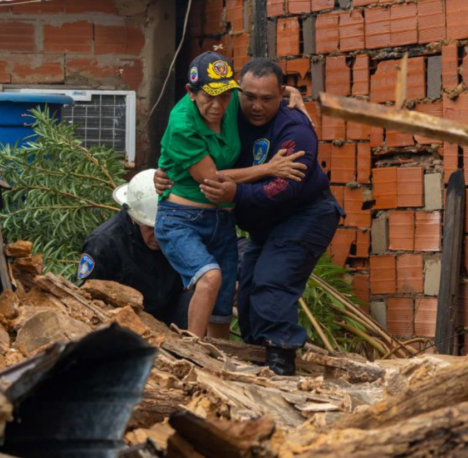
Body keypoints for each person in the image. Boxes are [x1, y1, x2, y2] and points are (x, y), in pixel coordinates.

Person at [159, 58, 341, 375]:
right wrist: (163, 172)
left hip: (305, 213)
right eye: (250, 96)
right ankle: (257, 357)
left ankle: (281, 361)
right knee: (246, 293)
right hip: (259, 221)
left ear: (280, 94)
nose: (256, 106)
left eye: (267, 98)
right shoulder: (222, 108)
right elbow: (208, 169)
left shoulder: (296, 131)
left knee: (272, 281)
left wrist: (237, 194)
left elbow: (283, 189)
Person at [156, 52, 306, 340]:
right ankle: (191, 354)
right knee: (209, 278)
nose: (217, 105)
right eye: (208, 97)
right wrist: (269, 168)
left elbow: (261, 93)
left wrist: (291, 91)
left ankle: (219, 368)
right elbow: (213, 179)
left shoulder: (233, 99)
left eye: (224, 96)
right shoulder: (182, 125)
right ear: (190, 92)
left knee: (222, 308)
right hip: (181, 219)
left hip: (222, 219)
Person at [75, 169, 188, 327]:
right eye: (151, 229)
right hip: (120, 322)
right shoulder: (103, 244)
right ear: (135, 219)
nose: (159, 236)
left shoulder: (182, 234)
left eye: (165, 229)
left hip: (169, 317)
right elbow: (86, 297)